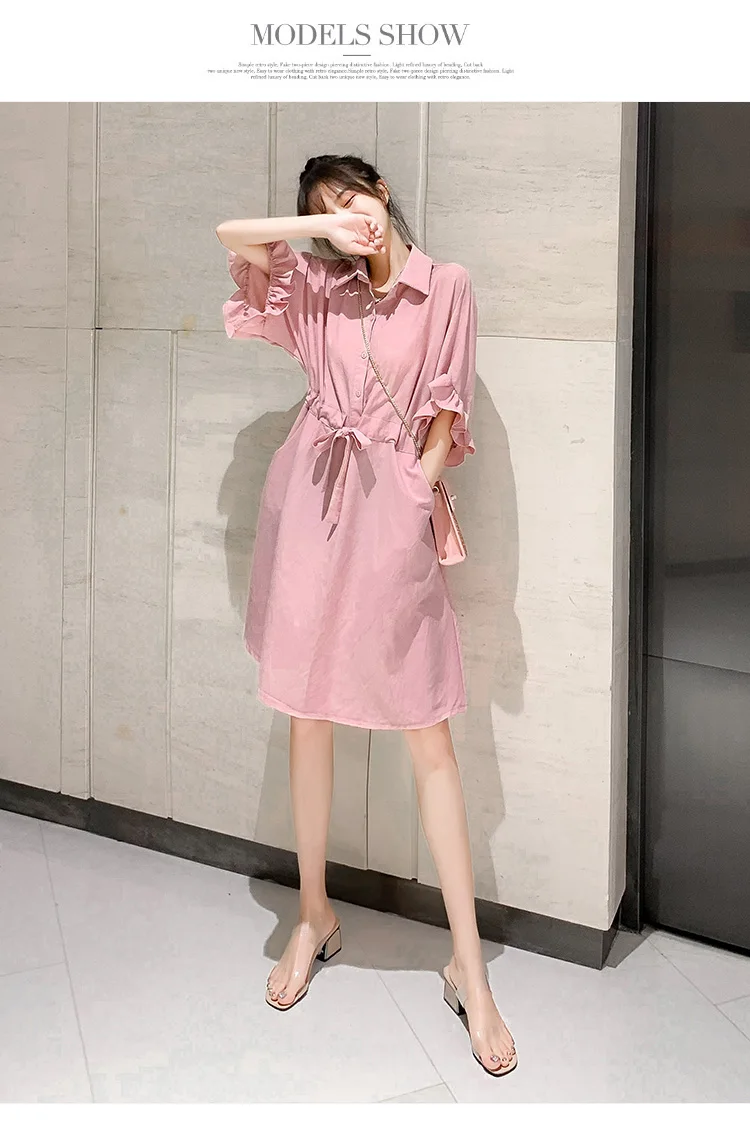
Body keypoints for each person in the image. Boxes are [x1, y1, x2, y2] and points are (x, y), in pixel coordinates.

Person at [215, 154, 517, 1076]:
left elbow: (444, 417)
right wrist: (319, 230)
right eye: (329, 207)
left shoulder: (445, 286)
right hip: (310, 505)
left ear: (383, 191)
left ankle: (468, 966)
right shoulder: (321, 288)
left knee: (428, 730)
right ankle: (314, 914)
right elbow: (234, 237)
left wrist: (413, 491)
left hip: (390, 510)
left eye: (355, 196)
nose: (351, 215)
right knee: (307, 714)